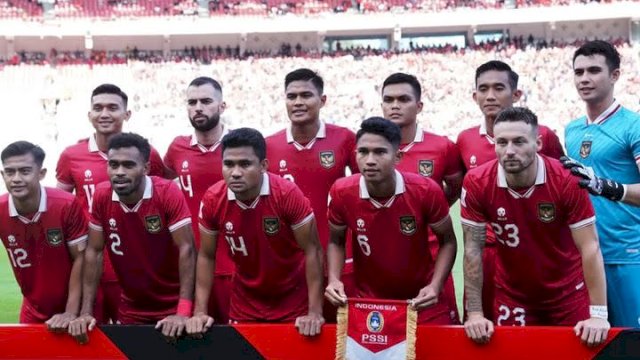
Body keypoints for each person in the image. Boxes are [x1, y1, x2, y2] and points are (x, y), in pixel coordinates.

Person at [461, 107, 609, 347]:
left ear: (538, 143)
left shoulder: (566, 180)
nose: (509, 151)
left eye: (519, 142)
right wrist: (475, 313)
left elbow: (590, 247)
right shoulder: (477, 181)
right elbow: (472, 249)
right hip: (513, 295)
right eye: (502, 142)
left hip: (569, 294)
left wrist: (599, 315)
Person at [188, 128, 324, 336]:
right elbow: (206, 255)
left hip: (293, 300)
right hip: (245, 303)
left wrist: (315, 311)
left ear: (263, 166)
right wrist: (199, 311)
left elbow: (312, 250)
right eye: (228, 164)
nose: (235, 172)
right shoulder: (213, 199)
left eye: (245, 164)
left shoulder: (287, 194)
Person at [456, 60, 565, 321]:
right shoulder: (465, 139)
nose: (490, 96)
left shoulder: (543, 136)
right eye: (483, 89)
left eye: (498, 88)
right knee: (479, 324)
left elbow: (561, 183)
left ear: (516, 94)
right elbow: (461, 191)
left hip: (532, 247)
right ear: (475, 96)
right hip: (485, 251)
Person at [324, 117, 458, 324]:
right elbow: (336, 241)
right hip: (370, 301)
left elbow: (448, 241)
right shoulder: (342, 192)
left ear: (398, 157)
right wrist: (333, 279)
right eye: (363, 152)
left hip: (422, 300)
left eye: (380, 152)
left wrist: (435, 285)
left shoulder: (425, 190)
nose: (369, 160)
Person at [56, 84, 168, 324]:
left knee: (131, 340)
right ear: (89, 115)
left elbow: (164, 197)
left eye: (112, 108)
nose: (104, 113)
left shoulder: (148, 154)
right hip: (90, 264)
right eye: (98, 108)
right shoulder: (70, 155)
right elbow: (59, 209)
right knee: (88, 336)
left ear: (127, 114)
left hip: (135, 264)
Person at [68, 133, 196, 343]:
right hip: (132, 307)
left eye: (128, 165)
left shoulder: (166, 192)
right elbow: (94, 251)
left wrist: (183, 311)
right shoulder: (102, 195)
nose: (119, 172)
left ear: (145, 168)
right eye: (114, 165)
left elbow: (187, 248)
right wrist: (86, 311)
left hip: (173, 305)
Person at [265, 68, 357, 322]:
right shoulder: (269, 145)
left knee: (342, 333)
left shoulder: (345, 138)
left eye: (306, 95)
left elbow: (367, 189)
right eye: (291, 96)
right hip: (291, 262)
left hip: (339, 256)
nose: (298, 102)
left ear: (322, 100)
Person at [563, 40, 640, 327]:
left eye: (594, 70)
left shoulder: (633, 125)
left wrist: (606, 187)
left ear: (615, 75)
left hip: (628, 255)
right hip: (584, 257)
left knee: (632, 342)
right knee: (593, 343)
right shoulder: (572, 130)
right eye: (579, 71)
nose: (584, 78)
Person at [381, 72, 463, 324]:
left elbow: (456, 186)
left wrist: (430, 211)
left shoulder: (442, 146)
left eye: (403, 99)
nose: (395, 105)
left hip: (430, 253)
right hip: (382, 254)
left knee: (439, 332)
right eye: (389, 99)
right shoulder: (369, 146)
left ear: (419, 106)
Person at [164, 76, 232, 324]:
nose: (198, 107)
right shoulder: (177, 148)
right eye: (192, 102)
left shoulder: (239, 148)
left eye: (206, 101)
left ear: (222, 106)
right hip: (191, 262)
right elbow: (162, 183)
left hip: (235, 262)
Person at [0, 141, 87, 331]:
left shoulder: (65, 204)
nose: (16, 178)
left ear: (41, 173)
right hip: (33, 309)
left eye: (24, 171)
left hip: (78, 307)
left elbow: (81, 259)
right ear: (2, 174)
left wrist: (71, 312)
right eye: (9, 172)